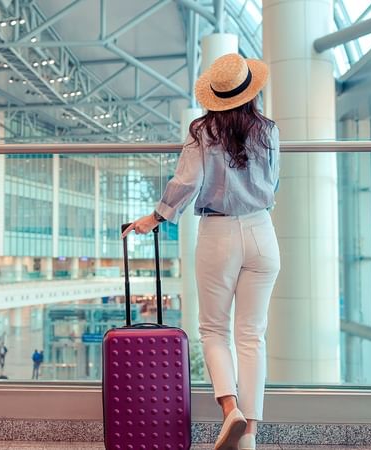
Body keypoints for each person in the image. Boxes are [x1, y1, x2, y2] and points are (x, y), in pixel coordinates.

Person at [123, 53, 280, 450]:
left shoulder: (202, 131)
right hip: (263, 231)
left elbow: (185, 181)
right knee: (252, 336)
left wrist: (156, 218)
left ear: (215, 95)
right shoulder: (269, 130)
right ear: (250, 91)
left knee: (213, 330)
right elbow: (273, 183)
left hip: (218, 232)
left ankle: (231, 411)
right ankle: (250, 439)